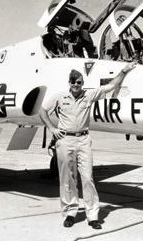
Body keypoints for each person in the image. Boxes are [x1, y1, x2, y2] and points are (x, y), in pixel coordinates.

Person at [39, 62, 137, 229]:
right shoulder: (59, 97)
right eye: (73, 81)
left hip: (83, 140)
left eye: (79, 82)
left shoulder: (89, 95)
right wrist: (51, 128)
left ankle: (92, 216)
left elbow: (111, 86)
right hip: (64, 140)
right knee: (67, 179)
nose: (76, 85)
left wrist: (124, 70)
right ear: (69, 82)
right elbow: (42, 111)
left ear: (82, 83)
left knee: (88, 178)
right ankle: (70, 212)